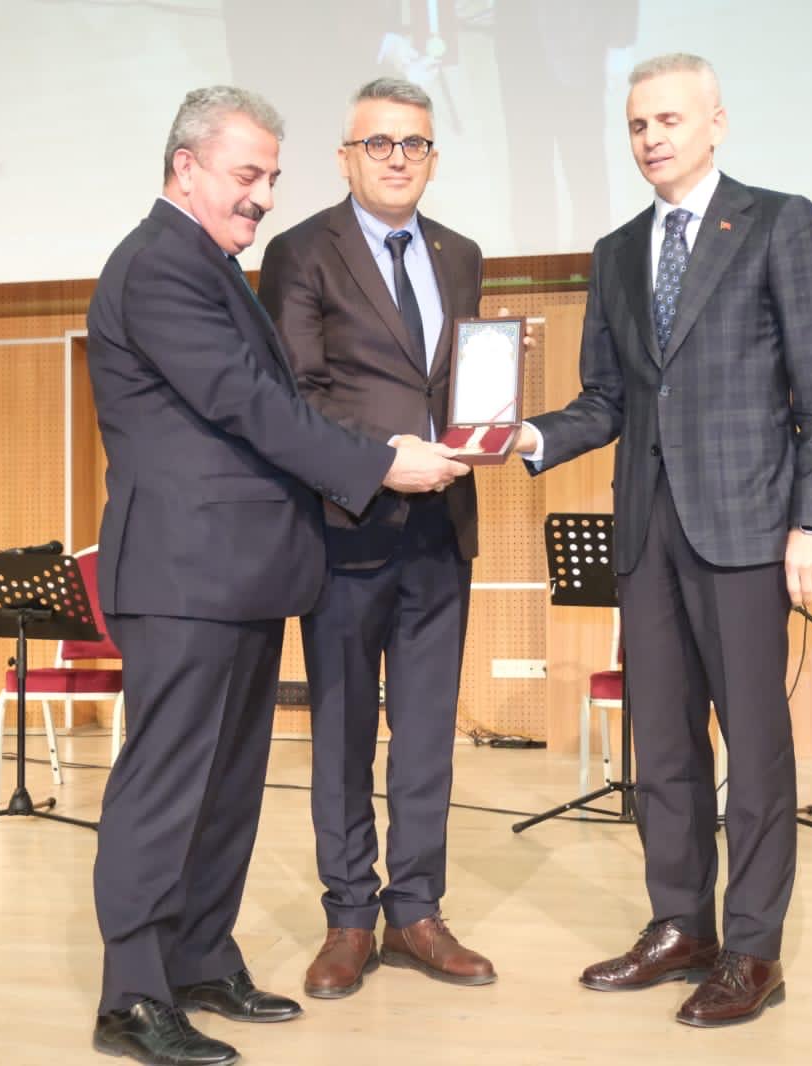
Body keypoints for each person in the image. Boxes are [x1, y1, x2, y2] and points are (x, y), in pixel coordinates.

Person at [86, 85, 469, 1066]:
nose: (261, 196)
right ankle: (133, 996)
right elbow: (249, 403)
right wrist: (378, 461)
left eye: (270, 178)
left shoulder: (207, 263)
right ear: (186, 168)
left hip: (242, 574)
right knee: (166, 787)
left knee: (225, 788)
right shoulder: (158, 265)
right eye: (245, 174)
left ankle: (199, 961)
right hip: (182, 576)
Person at [516, 53, 812, 1027]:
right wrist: (527, 437)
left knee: (755, 747)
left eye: (668, 119)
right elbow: (606, 399)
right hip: (646, 531)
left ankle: (752, 948)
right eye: (636, 124)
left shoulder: (778, 222)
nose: (650, 138)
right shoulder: (617, 249)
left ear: (716, 123)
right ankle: (680, 925)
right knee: (661, 745)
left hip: (747, 526)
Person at [257, 77, 495, 1000]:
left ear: (434, 157)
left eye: (415, 144)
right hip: (347, 527)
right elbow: (296, 396)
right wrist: (383, 461)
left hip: (443, 528)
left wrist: (490, 413)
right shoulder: (299, 251)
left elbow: (459, 383)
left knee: (427, 735)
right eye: (380, 143)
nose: (399, 158)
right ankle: (350, 917)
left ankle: (418, 911)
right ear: (346, 157)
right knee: (346, 734)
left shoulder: (461, 254)